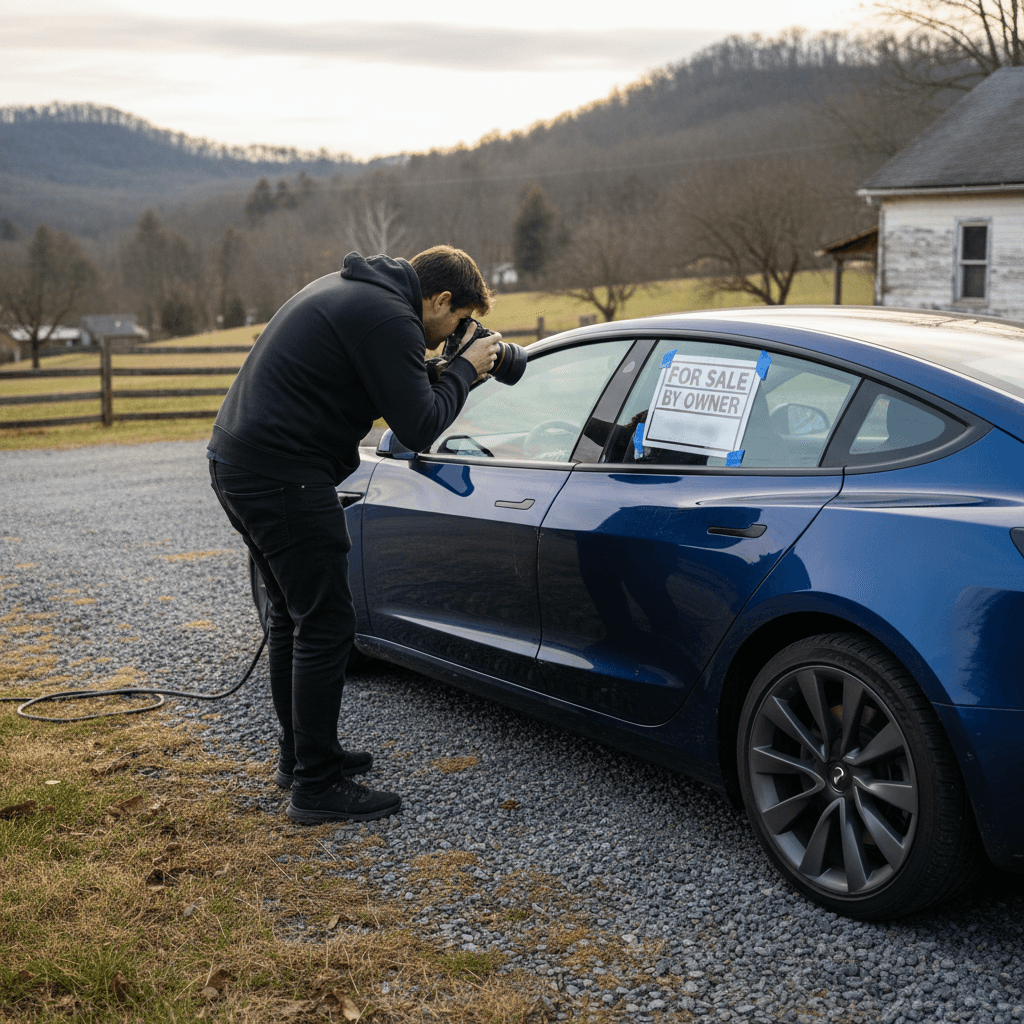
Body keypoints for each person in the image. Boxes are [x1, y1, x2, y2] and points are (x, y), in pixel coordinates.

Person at [207, 246, 500, 824]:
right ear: (438, 299)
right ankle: (316, 788)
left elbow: (395, 390)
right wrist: (465, 370)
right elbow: (418, 427)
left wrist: (445, 371)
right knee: (326, 622)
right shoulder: (391, 318)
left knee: (294, 616)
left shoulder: (359, 295)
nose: (453, 334)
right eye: (458, 320)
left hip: (241, 462)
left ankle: (303, 759)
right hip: (281, 476)